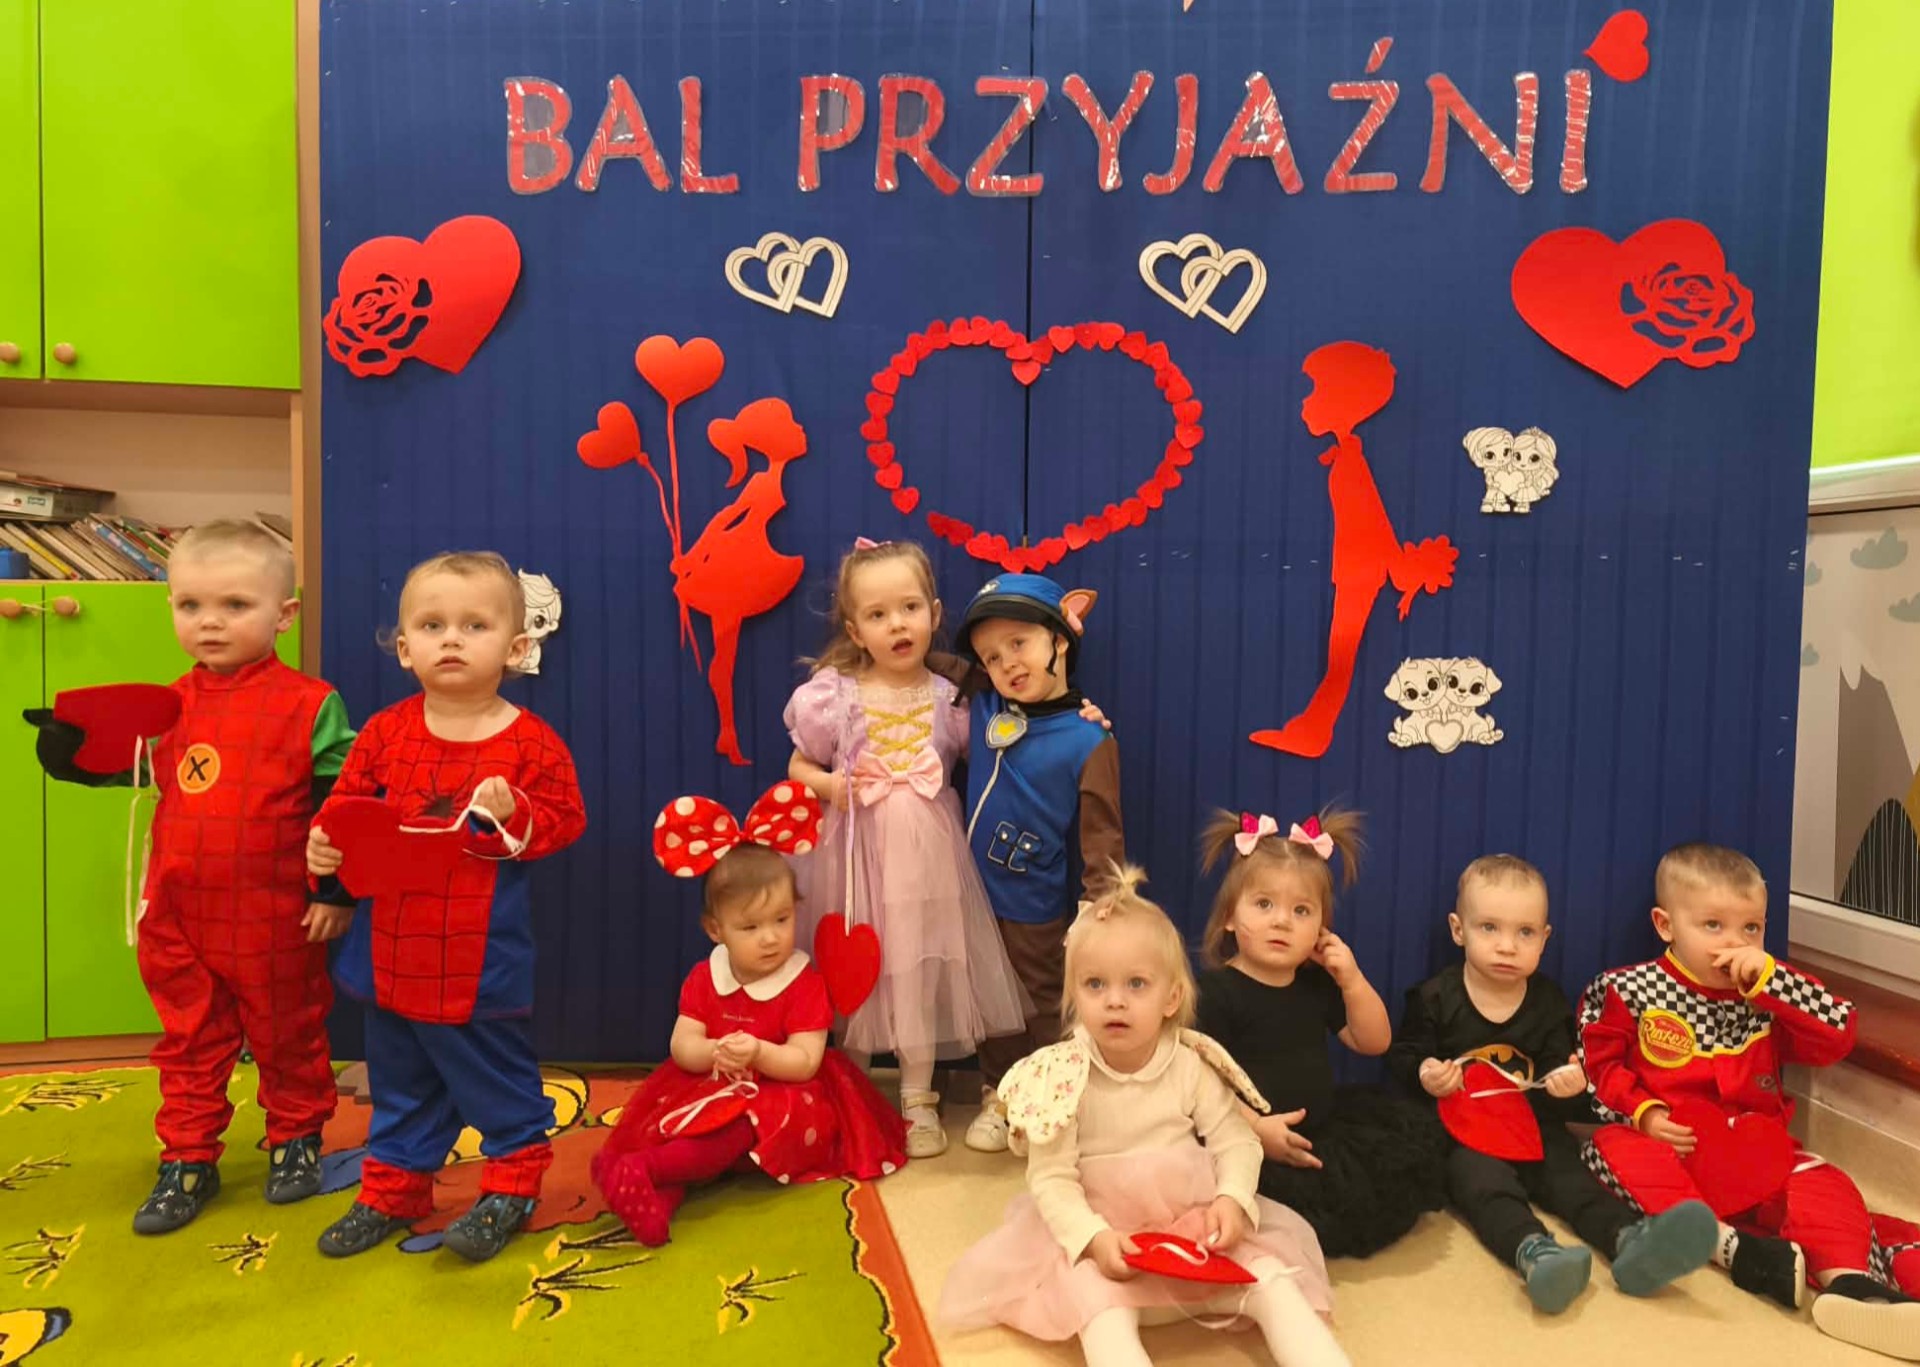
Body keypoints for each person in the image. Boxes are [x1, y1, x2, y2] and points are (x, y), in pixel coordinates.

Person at [23, 519, 352, 1233]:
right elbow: (122, 768)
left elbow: (343, 802)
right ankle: (189, 1155)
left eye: (235, 604)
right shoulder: (165, 705)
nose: (210, 621)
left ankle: (296, 1137)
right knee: (189, 1039)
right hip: (177, 914)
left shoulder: (310, 704)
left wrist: (335, 890)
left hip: (275, 916)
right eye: (191, 605)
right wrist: (69, 753)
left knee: (287, 1034)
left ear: (284, 614)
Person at [941, 866, 1347, 1367]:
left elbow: (1235, 1141)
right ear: (1073, 996)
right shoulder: (1063, 1076)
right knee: (1097, 1306)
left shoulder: (1191, 1063)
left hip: (1190, 1226)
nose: (1115, 1000)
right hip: (1107, 1235)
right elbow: (1051, 1177)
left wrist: (1233, 1200)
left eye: (1136, 984)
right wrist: (1093, 1239)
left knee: (1273, 1279)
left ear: (1171, 998)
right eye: (1095, 984)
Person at [306, 551, 586, 1262]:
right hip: (390, 946)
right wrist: (324, 848)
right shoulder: (384, 731)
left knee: (495, 1079)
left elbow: (565, 821)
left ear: (515, 649)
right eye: (432, 625)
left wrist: (514, 809)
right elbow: (346, 809)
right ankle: (394, 1188)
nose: (452, 638)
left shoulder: (531, 742)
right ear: (405, 648)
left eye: (474, 625)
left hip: (478, 955)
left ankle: (513, 1184)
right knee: (398, 1078)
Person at [1582, 842, 1920, 1357]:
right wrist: (1644, 1114)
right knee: (1610, 1148)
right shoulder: (1626, 990)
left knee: (1823, 1180)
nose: (1734, 944)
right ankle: (1733, 1249)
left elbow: (1839, 1033)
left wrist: (1773, 980)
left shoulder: (1767, 994)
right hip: (1670, 1151)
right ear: (1666, 925)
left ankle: (1854, 1286)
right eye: (1712, 925)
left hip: (1759, 1156)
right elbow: (1596, 1069)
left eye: (1751, 928)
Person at [784, 538, 1028, 1157]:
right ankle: (850, 1090)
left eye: (910, 608)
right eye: (878, 614)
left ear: (934, 612)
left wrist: (1082, 718)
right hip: (853, 857)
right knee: (853, 971)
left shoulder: (952, 699)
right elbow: (798, 767)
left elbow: (1006, 752)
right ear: (855, 630)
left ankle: (918, 1097)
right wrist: (831, 785)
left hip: (929, 859)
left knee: (918, 968)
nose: (897, 624)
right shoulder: (834, 696)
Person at [1388, 854, 1715, 1312]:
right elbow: (1401, 1057)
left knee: (1572, 1179)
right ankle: (1536, 1252)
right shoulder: (1436, 997)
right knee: (1484, 1187)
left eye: (1524, 933)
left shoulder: (1546, 1001)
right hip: (1464, 1136)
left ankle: (1629, 1239)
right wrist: (1425, 1072)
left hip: (1533, 1128)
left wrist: (1569, 1084)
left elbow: (1557, 1073)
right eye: (1489, 928)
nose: (1507, 946)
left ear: (1544, 938)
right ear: (1458, 930)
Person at [591, 784, 908, 1244]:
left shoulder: (803, 982)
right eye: (750, 927)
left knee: (738, 1125)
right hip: (715, 1082)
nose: (770, 938)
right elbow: (682, 1045)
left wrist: (758, 1053)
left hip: (784, 1095)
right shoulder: (707, 977)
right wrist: (713, 1051)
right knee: (679, 1123)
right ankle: (650, 1194)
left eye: (782, 919)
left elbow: (805, 1062)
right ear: (715, 929)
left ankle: (647, 1169)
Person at [1193, 808, 1448, 1258]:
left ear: (1320, 929)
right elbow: (1200, 1084)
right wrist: (1256, 1128)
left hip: (1321, 1131)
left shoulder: (1316, 985)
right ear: (1229, 917)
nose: (1282, 921)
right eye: (1264, 905)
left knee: (1380, 1179)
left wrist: (1352, 979)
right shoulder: (1216, 993)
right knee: (1258, 1211)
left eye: (1301, 911)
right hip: (1244, 1137)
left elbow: (1374, 1042)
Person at [952, 572, 1124, 1154]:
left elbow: (1103, 835)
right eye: (991, 656)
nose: (1007, 663)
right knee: (987, 1000)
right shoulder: (984, 702)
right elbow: (921, 662)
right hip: (971, 895)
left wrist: (1098, 905)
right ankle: (997, 1095)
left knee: (1043, 1002)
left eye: (1019, 643)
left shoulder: (1090, 739)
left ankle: (1051, 1101)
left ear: (1061, 640)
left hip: (1035, 900)